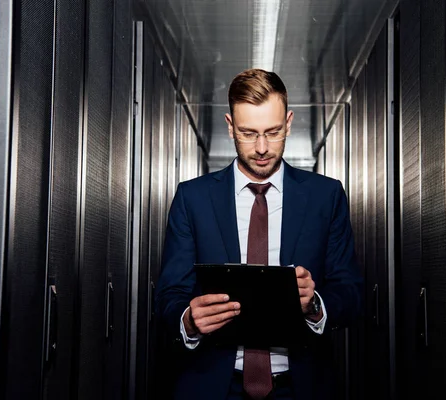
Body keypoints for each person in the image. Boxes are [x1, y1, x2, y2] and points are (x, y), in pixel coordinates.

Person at [154, 68, 363, 400]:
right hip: (212, 386)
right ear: (230, 126)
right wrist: (189, 319)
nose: (262, 147)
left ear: (290, 122)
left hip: (301, 386)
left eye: (274, 131)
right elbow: (168, 294)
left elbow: (351, 292)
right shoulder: (192, 198)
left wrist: (315, 304)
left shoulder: (326, 196)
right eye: (248, 133)